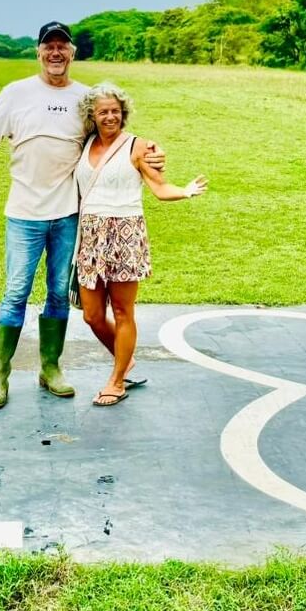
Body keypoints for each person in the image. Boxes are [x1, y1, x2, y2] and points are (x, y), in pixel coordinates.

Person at [0, 24, 164, 409]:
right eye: (49, 46)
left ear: (72, 52)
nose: (56, 53)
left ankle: (50, 368)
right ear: (38, 52)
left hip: (68, 214)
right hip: (24, 212)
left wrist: (150, 155)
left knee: (58, 296)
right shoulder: (17, 93)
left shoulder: (85, 98)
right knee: (15, 292)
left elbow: (111, 136)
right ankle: (0, 374)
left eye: (62, 46)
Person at [75, 82, 206, 407]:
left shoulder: (138, 146)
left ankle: (117, 381)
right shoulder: (85, 144)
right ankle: (126, 358)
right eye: (103, 111)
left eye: (115, 112)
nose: (110, 117)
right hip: (89, 235)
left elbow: (160, 188)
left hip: (125, 234)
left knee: (122, 310)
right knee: (91, 315)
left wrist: (185, 190)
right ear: (92, 115)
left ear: (124, 114)